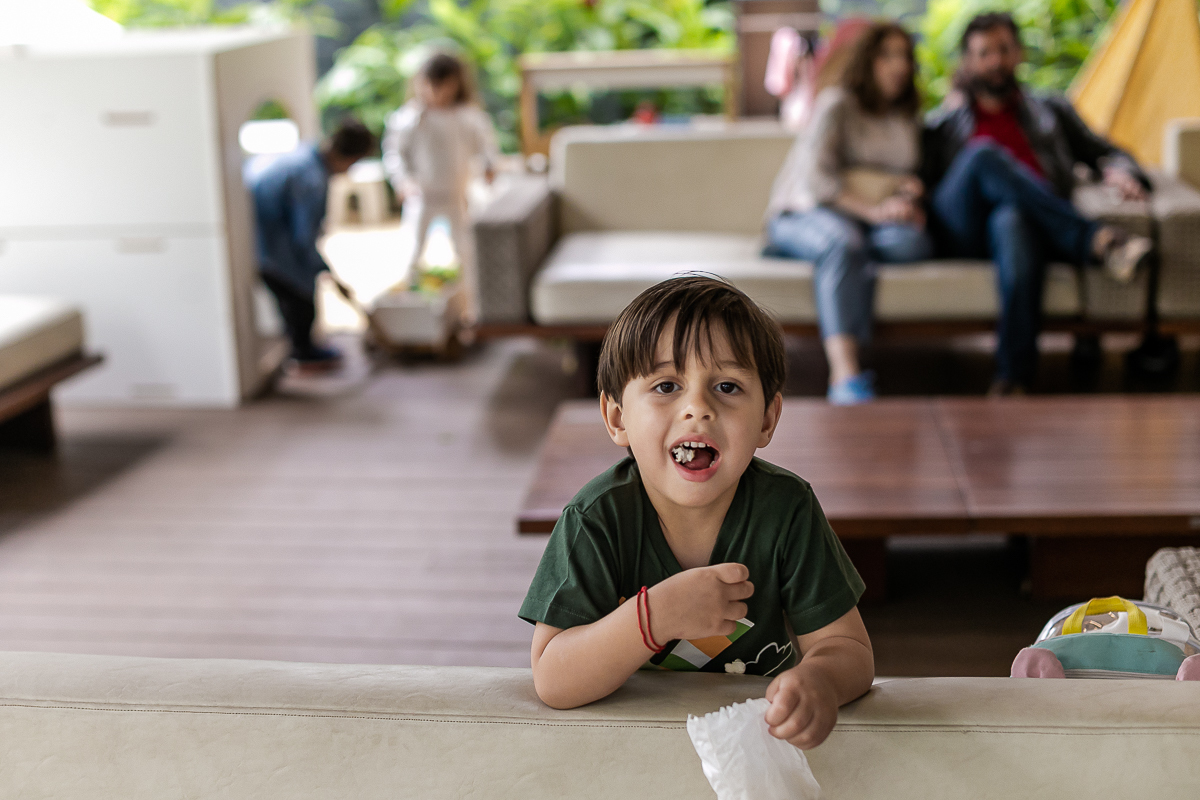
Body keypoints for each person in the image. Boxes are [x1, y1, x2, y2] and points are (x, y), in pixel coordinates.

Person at [519, 276, 873, 751]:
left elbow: (849, 650)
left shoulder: (786, 508)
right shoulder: (597, 519)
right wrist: (653, 619)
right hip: (632, 747)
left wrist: (820, 681)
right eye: (666, 385)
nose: (698, 408)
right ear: (617, 417)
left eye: (727, 386)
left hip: (756, 742)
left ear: (767, 418)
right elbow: (552, 677)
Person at [924, 12, 1153, 394]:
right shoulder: (944, 124)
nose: (995, 61)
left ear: (1018, 54)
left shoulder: (1051, 110)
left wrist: (1119, 171)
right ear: (969, 62)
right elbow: (917, 181)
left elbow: (1111, 152)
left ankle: (1014, 379)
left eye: (1003, 49)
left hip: (1027, 225)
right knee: (983, 155)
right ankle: (1097, 241)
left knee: (1011, 219)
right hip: (963, 229)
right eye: (984, 53)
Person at [765, 22, 934, 405]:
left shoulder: (906, 115)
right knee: (843, 245)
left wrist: (907, 195)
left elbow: (905, 173)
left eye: (905, 56)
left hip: (862, 218)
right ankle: (846, 374)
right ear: (867, 61)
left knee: (911, 244)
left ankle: (845, 261)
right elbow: (816, 181)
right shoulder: (837, 104)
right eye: (887, 55)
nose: (899, 66)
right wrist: (875, 212)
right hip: (805, 211)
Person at [248, 119, 374, 370]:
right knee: (301, 297)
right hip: (271, 248)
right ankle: (303, 353)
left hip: (258, 241)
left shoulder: (304, 155)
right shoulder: (311, 181)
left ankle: (302, 348)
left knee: (297, 293)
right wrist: (323, 269)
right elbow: (303, 239)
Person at [382, 51, 498, 320]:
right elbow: (395, 153)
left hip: (457, 195)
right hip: (422, 195)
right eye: (431, 85)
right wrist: (403, 180)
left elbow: (486, 146)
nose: (437, 92)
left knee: (466, 251)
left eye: (444, 85)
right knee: (412, 249)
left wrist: (488, 167)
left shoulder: (467, 116)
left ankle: (472, 308)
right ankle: (409, 308)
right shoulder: (411, 117)